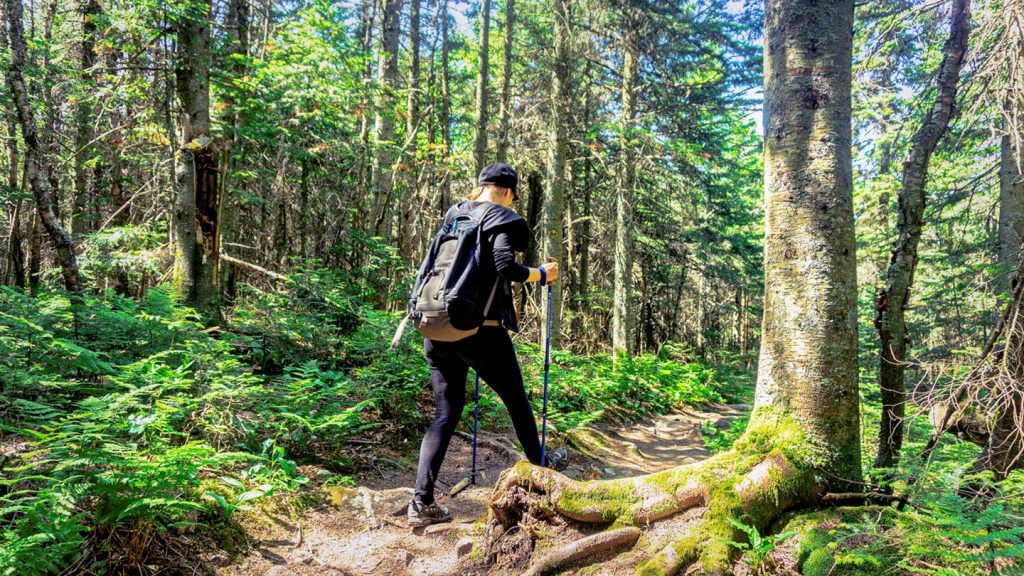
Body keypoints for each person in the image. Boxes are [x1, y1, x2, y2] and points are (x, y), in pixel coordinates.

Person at [408, 162, 567, 528]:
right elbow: (504, 267)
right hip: (479, 331)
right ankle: (542, 474)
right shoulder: (505, 218)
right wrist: (542, 274)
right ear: (509, 191)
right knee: (516, 400)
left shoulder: (455, 215)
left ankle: (421, 502)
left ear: (480, 185)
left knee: (445, 415)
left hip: (435, 325)